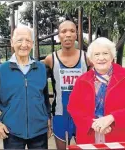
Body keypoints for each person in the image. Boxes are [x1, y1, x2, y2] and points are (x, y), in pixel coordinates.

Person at [0, 26, 51, 149]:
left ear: (32, 44)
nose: (24, 44)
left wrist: (48, 118)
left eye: (28, 40)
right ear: (12, 42)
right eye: (19, 40)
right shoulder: (2, 70)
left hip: (39, 131)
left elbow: (44, 99)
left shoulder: (41, 68)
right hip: (11, 132)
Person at [67, 37, 125, 144]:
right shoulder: (82, 80)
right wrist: (92, 124)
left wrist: (112, 118)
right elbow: (73, 108)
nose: (101, 58)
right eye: (96, 54)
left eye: (105, 53)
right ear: (91, 59)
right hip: (90, 135)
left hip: (120, 136)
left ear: (112, 56)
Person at [43, 20, 90, 149]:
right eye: (64, 31)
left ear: (77, 35)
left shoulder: (87, 58)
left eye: (72, 31)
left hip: (83, 115)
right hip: (60, 114)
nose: (68, 34)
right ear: (59, 35)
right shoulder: (50, 59)